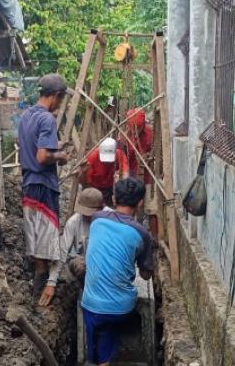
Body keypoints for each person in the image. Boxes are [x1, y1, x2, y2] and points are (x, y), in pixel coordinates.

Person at [81, 178, 154, 365]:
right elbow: (146, 275)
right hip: (119, 308)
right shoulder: (142, 234)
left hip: (89, 304)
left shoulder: (96, 219)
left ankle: (93, 359)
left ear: (113, 199)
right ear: (139, 203)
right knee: (110, 327)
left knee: (97, 335)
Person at [18, 73, 71, 306]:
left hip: (29, 184)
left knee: (35, 236)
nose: (60, 104)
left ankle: (36, 286)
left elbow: (32, 147)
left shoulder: (26, 116)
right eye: (61, 99)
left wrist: (56, 145)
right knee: (48, 238)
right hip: (43, 185)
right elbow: (42, 156)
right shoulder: (48, 119)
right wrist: (61, 156)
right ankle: (47, 289)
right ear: (57, 96)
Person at [41, 188, 105, 306]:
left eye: (89, 213)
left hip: (107, 263)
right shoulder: (74, 222)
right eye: (83, 212)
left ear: (101, 209)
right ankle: (88, 290)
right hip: (87, 263)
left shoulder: (111, 219)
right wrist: (51, 283)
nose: (85, 216)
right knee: (78, 265)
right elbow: (62, 251)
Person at [118, 108, 159, 238]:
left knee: (152, 209)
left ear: (143, 125)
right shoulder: (123, 138)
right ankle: (129, 235)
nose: (136, 130)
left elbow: (158, 153)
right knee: (130, 208)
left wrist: (150, 156)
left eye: (139, 127)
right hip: (132, 177)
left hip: (149, 178)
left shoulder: (151, 133)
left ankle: (155, 239)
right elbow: (121, 159)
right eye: (132, 127)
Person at [79, 137, 129, 207]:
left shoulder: (119, 154)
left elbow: (125, 172)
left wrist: (121, 182)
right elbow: (83, 181)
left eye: (109, 160)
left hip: (110, 188)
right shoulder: (92, 157)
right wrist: (83, 172)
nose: (107, 162)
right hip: (94, 188)